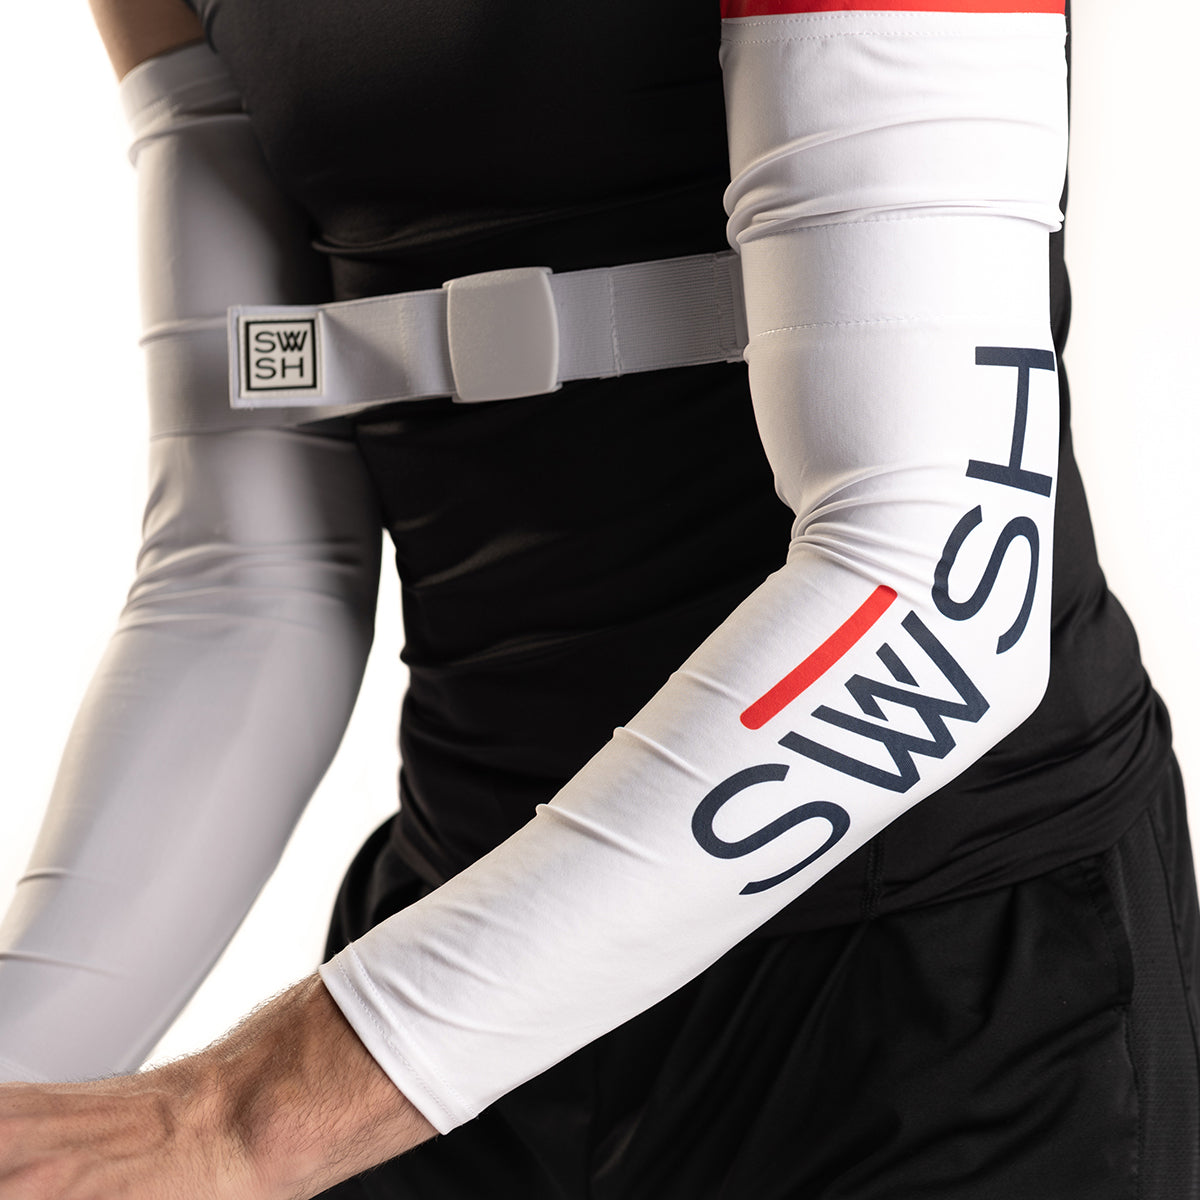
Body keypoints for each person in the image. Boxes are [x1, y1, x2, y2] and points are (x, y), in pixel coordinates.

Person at [0, 0, 1196, 1197]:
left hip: (932, 975)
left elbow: (940, 588)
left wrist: (246, 1115)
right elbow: (246, 577)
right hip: (462, 936)